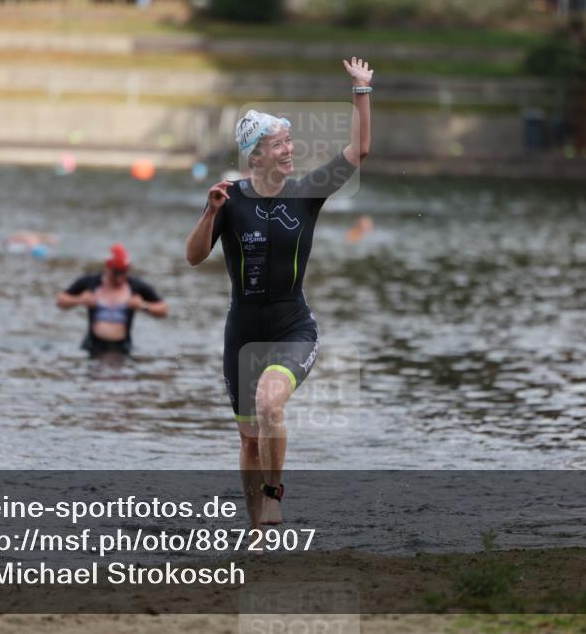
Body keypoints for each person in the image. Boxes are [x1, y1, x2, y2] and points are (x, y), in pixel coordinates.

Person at [185, 57, 373, 527]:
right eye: (279, 144)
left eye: (289, 141)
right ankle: (256, 529)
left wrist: (361, 93)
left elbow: (359, 151)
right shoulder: (228, 199)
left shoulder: (307, 193)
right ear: (256, 156)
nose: (289, 149)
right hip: (243, 331)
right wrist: (209, 214)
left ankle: (274, 495)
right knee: (249, 439)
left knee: (271, 403)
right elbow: (192, 256)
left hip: (293, 326)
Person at [57, 243, 168, 356]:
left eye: (125, 271)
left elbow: (164, 310)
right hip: (93, 346)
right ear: (108, 268)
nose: (122, 276)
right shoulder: (90, 282)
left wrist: (143, 306)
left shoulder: (135, 286)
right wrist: (80, 300)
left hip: (122, 347)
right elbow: (61, 301)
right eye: (118, 272)